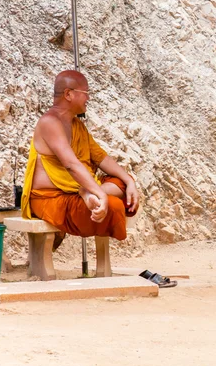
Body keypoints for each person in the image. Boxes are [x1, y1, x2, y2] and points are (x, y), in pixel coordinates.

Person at [21, 70, 139, 247]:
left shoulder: (77, 125)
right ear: (69, 94)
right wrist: (100, 193)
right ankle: (89, 192)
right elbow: (70, 164)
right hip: (51, 198)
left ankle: (86, 192)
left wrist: (129, 181)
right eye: (86, 94)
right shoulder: (49, 122)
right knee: (113, 206)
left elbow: (101, 158)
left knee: (122, 183)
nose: (88, 99)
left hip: (76, 192)